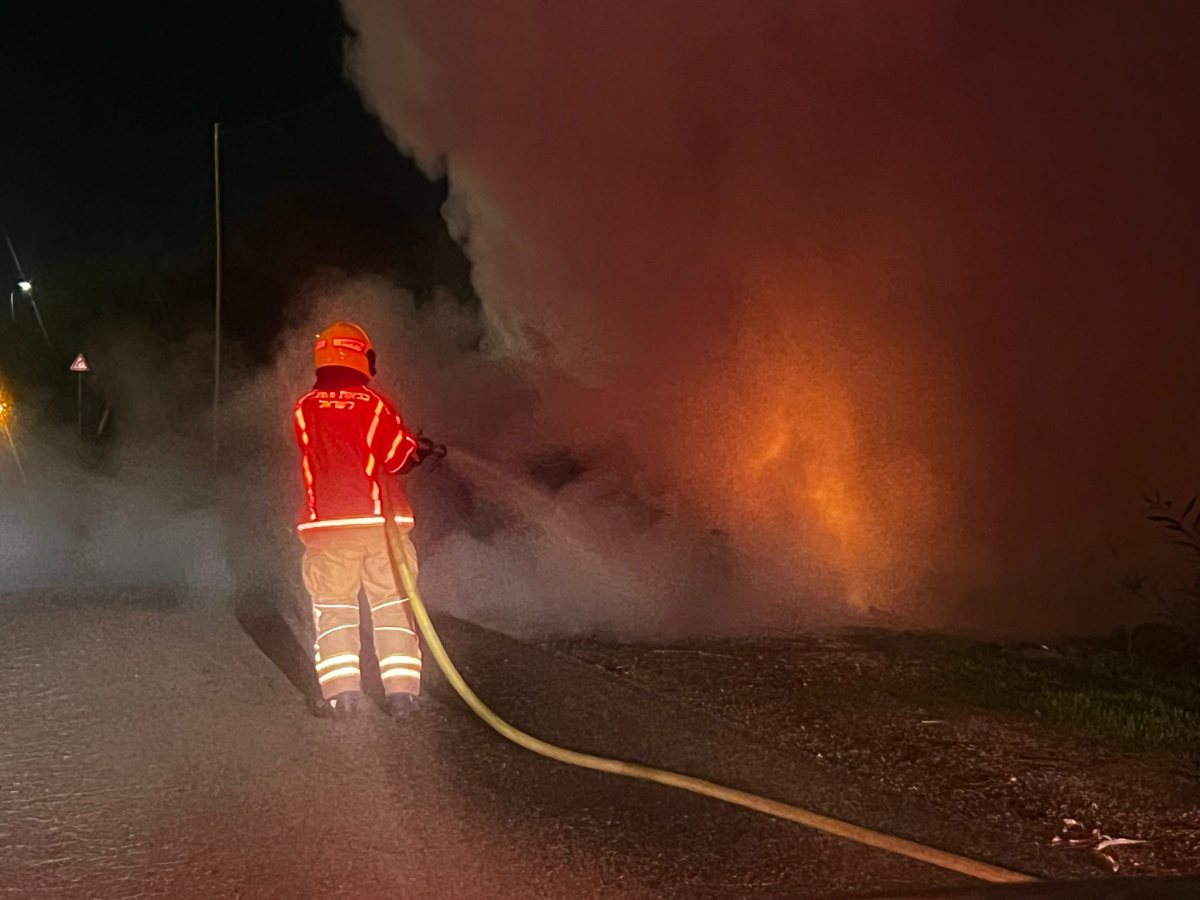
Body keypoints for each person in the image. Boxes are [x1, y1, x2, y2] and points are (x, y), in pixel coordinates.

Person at [291, 321, 436, 719]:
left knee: (334, 608)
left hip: (327, 529)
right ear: (362, 358)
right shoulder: (375, 405)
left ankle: (343, 695)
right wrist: (418, 448)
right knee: (393, 604)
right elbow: (395, 456)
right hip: (380, 528)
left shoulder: (305, 407)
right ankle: (402, 695)